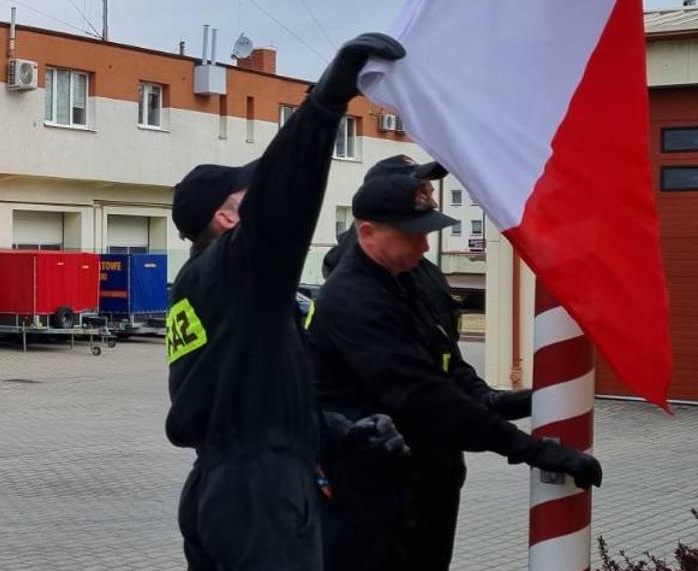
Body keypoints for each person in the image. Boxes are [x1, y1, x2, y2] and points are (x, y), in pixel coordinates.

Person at [164, 33, 405, 570]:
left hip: (220, 487)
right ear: (226, 220)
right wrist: (326, 102)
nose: (261, 202)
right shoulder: (234, 266)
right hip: (260, 496)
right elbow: (286, 195)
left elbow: (248, 392)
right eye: (247, 196)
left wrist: (339, 430)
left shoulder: (203, 288)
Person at [308, 171, 600, 571]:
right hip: (372, 489)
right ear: (368, 232)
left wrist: (493, 402)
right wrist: (532, 450)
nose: (425, 243)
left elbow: (445, 360)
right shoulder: (354, 300)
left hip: (424, 476)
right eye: (412, 234)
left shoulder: (406, 278)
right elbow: (426, 397)